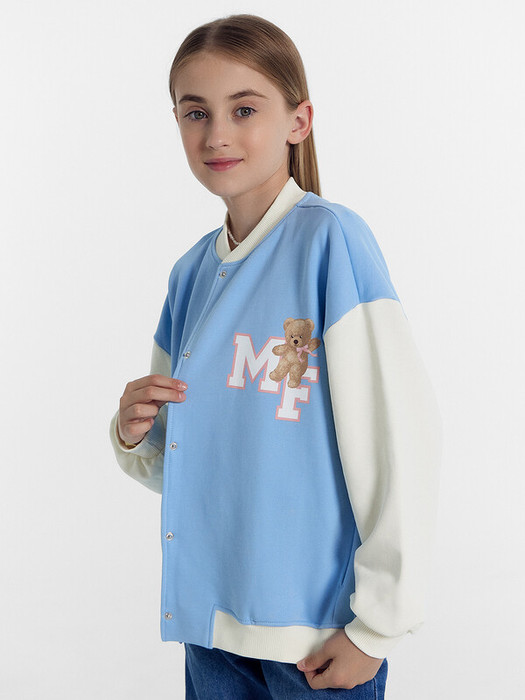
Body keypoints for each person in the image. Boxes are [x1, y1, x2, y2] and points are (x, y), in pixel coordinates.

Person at [109, 13, 442, 699]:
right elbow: (187, 465)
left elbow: (401, 440)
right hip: (210, 630)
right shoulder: (190, 274)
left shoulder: (331, 243)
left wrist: (376, 628)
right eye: (195, 112)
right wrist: (134, 432)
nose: (216, 134)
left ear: (298, 120)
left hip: (315, 639)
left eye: (244, 109)